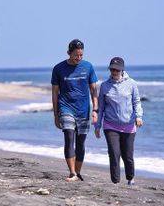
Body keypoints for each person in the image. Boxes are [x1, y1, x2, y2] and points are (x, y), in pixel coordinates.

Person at [51, 39, 98, 182]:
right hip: (66, 107)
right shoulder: (58, 69)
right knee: (69, 137)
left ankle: (77, 172)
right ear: (69, 53)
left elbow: (94, 90)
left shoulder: (88, 67)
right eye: (76, 55)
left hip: (83, 110)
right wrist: (56, 114)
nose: (79, 58)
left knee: (81, 142)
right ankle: (72, 173)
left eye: (81, 55)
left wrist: (95, 110)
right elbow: (54, 93)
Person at [94, 56, 143, 185]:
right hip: (110, 125)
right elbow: (101, 107)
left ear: (122, 70)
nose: (114, 72)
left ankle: (130, 178)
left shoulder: (132, 83)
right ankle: (115, 182)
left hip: (129, 125)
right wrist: (97, 126)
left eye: (117, 69)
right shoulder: (105, 86)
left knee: (127, 155)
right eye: (112, 69)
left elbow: (136, 101)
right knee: (114, 153)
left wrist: (138, 116)